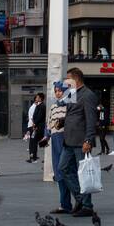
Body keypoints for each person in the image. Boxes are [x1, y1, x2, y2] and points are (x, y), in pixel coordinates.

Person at [56, 68, 99, 216]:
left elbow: (91, 120)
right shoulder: (72, 94)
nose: (65, 82)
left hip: (81, 141)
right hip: (68, 140)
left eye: (68, 79)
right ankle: (80, 199)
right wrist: (63, 122)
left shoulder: (87, 95)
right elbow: (72, 114)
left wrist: (89, 140)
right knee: (63, 168)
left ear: (76, 79)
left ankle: (87, 206)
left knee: (84, 174)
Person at [46, 82, 70, 211]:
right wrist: (46, 136)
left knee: (68, 171)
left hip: (66, 140)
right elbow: (48, 124)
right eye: (56, 91)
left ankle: (79, 203)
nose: (58, 93)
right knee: (59, 172)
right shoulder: (53, 107)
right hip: (55, 141)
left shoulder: (69, 105)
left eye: (60, 90)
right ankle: (65, 204)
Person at [26, 92, 45, 163]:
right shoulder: (37, 106)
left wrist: (34, 124)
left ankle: (33, 157)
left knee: (34, 143)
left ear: (40, 98)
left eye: (37, 97)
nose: (36, 98)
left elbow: (38, 117)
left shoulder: (41, 106)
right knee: (35, 142)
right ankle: (33, 157)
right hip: (35, 126)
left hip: (36, 127)